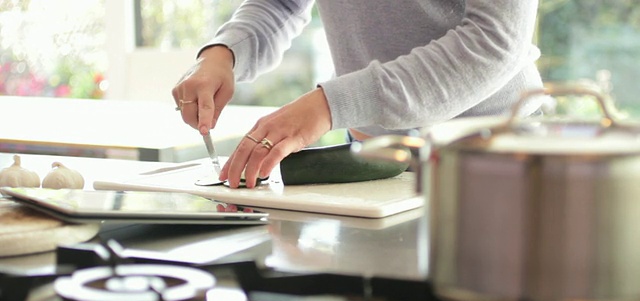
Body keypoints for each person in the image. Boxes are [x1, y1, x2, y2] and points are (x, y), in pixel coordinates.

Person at [172, 0, 543, 188]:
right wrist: (224, 53)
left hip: (492, 162)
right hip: (372, 163)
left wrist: (331, 104)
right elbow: (281, 4)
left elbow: (495, 40)